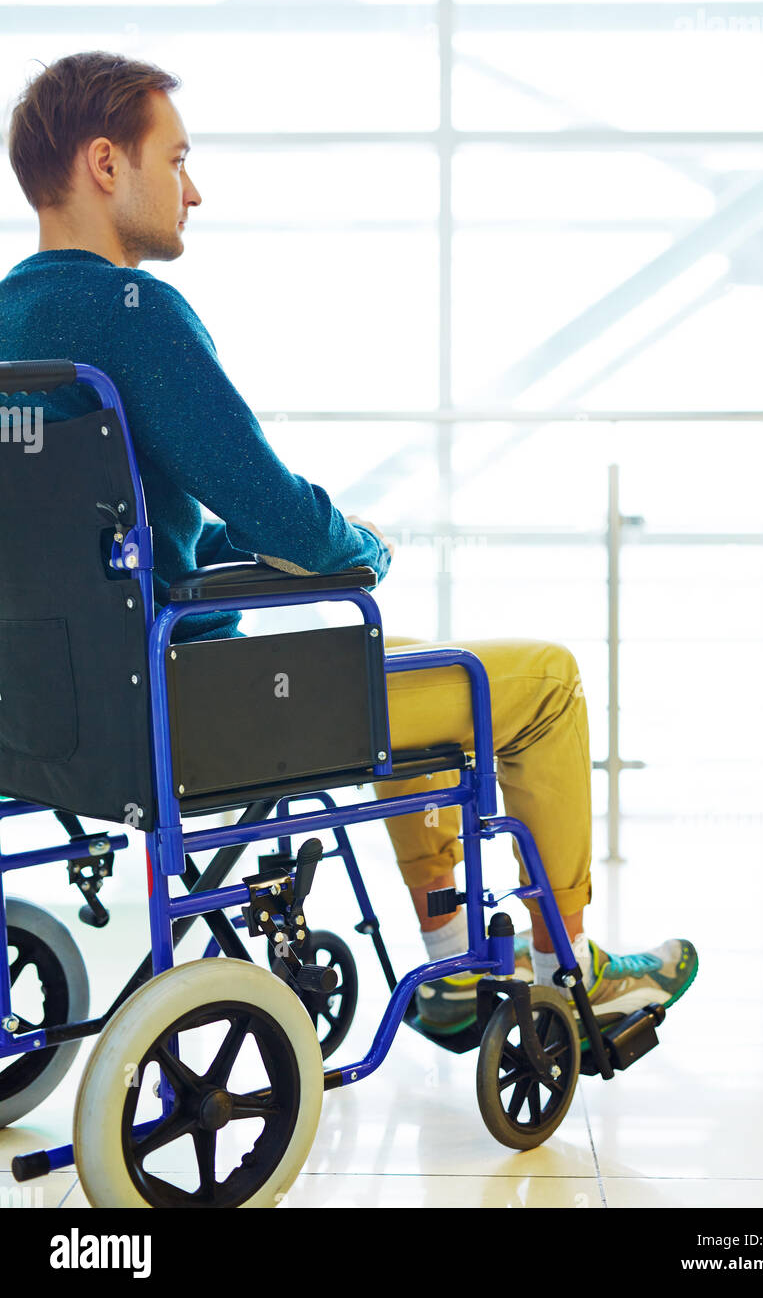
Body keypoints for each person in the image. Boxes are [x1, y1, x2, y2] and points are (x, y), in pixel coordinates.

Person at [0, 51, 698, 1038]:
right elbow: (283, 518)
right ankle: (569, 966)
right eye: (178, 159)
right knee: (540, 682)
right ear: (106, 165)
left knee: (397, 672)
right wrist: (354, 544)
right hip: (182, 713)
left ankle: (453, 951)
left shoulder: (8, 325)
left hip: (41, 719)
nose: (193, 192)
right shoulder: (134, 317)